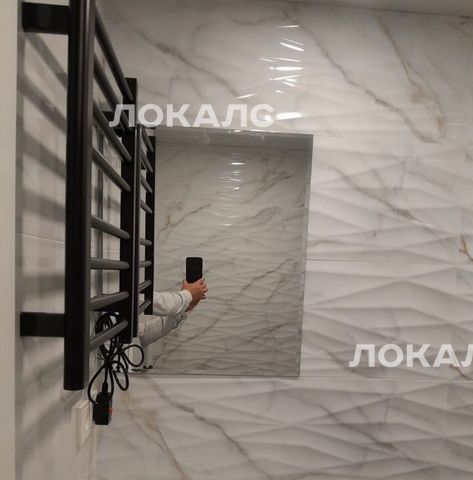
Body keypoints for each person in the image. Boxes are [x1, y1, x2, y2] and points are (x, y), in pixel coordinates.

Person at [138, 278, 208, 368]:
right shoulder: (124, 294)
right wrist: (188, 295)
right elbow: (159, 304)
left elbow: (144, 334)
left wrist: (182, 311)